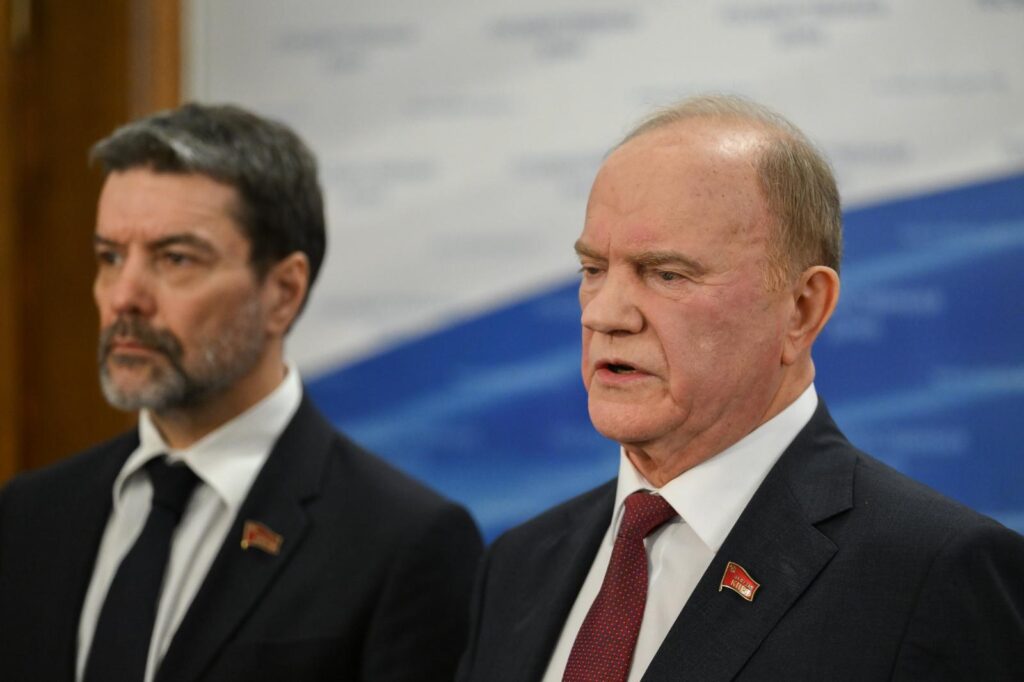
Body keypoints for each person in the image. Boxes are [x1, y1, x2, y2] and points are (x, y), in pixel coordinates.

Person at [457, 94, 1024, 681]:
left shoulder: (933, 575)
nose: (603, 314)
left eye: (666, 273)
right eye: (593, 269)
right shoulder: (518, 565)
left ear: (802, 309)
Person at [0, 103, 482, 682]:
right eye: (110, 257)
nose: (124, 296)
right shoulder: (30, 515)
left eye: (175, 259)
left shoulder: (402, 541)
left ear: (283, 292)